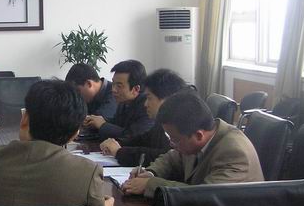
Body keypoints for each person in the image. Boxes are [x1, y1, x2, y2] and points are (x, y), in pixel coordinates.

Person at [123, 91, 264, 198]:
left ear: (199, 135)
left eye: (175, 139)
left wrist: (150, 184)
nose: (171, 144)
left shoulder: (234, 153)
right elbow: (172, 157)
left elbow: (204, 195)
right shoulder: (196, 136)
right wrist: (150, 173)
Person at [100, 69, 188, 166]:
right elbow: (141, 140)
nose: (145, 104)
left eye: (149, 98)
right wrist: (117, 143)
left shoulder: (180, 126)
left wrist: (119, 152)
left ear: (167, 100)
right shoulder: (160, 123)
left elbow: (161, 156)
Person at [84, 59, 153, 141]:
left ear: (136, 89)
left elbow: (133, 136)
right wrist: (95, 121)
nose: (113, 90)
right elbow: (117, 124)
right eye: (113, 84)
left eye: (119, 86)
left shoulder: (148, 105)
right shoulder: (124, 102)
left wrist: (103, 125)